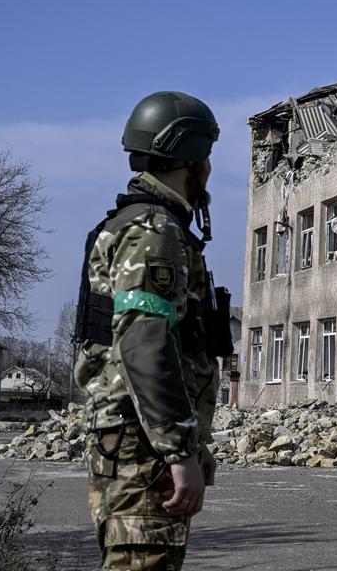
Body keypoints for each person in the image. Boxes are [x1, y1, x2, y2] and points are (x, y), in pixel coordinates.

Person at [74, 91, 232, 570]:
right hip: (142, 445)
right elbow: (146, 344)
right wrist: (179, 449)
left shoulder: (140, 223)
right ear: (196, 161)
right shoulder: (153, 229)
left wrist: (193, 441)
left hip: (135, 438)